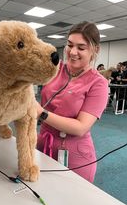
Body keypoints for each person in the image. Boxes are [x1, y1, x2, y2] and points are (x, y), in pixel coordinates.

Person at [36, 21, 109, 183]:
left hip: (73, 156)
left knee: (71, 204)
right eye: (70, 45)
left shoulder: (98, 83)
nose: (73, 52)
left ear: (95, 50)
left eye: (81, 48)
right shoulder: (55, 68)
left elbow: (81, 127)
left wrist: (40, 113)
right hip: (42, 144)